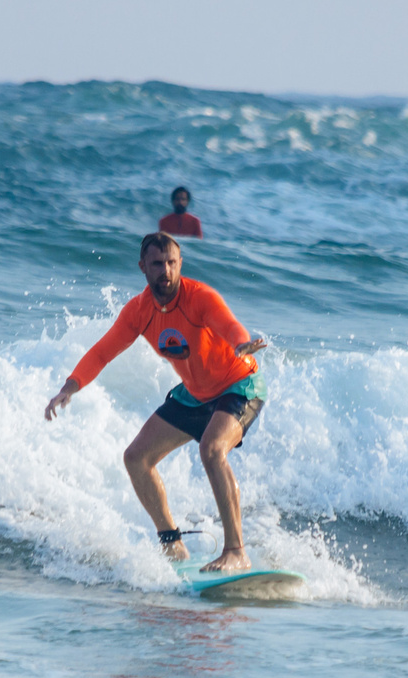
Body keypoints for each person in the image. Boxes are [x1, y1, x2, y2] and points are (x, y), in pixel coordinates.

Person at [43, 233, 269, 574]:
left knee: (211, 449)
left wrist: (241, 343)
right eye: (158, 264)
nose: (166, 270)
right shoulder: (139, 311)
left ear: (180, 264)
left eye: (172, 263)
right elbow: (102, 352)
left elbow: (229, 324)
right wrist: (69, 387)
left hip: (239, 384)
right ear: (143, 267)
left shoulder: (200, 297)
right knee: (136, 458)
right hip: (195, 394)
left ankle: (236, 551)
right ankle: (172, 545)